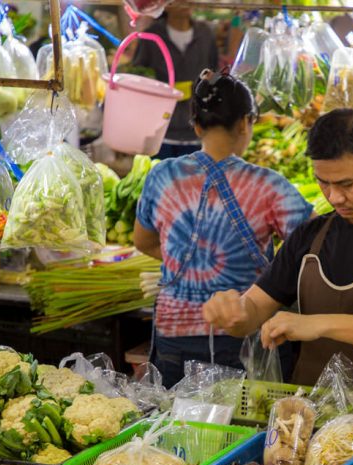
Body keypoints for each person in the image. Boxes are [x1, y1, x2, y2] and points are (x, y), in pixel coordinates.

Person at [203, 109, 353, 437]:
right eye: (324, 182)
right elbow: (254, 310)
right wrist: (233, 314)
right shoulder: (309, 236)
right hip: (314, 428)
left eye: (347, 184)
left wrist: (315, 323)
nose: (334, 197)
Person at [133, 69, 314, 388]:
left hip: (175, 334)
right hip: (244, 335)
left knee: (175, 429)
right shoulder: (268, 186)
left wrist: (192, 265)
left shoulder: (162, 176)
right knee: (246, 432)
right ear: (246, 123)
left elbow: (143, 240)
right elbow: (314, 247)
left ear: (198, 126)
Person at [132, 4, 218, 157]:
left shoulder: (205, 33)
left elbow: (215, 73)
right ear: (164, 4)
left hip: (197, 129)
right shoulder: (151, 36)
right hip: (160, 131)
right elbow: (137, 78)